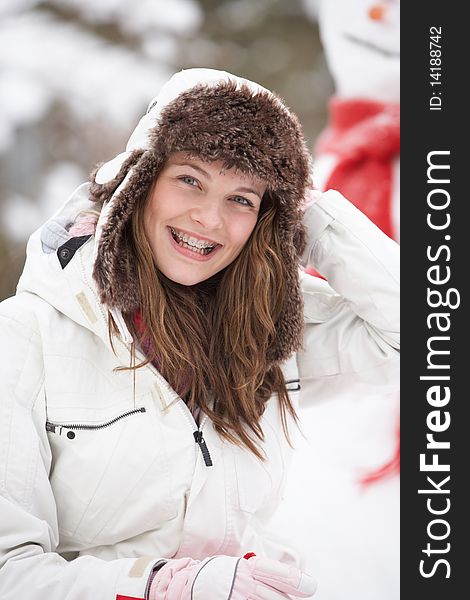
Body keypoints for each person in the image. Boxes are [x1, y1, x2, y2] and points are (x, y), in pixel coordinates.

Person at [0, 68, 399, 600]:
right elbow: (8, 571)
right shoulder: (25, 337)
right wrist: (167, 587)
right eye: (190, 178)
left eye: (242, 198)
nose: (210, 217)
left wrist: (307, 213)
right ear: (138, 184)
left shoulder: (266, 334)